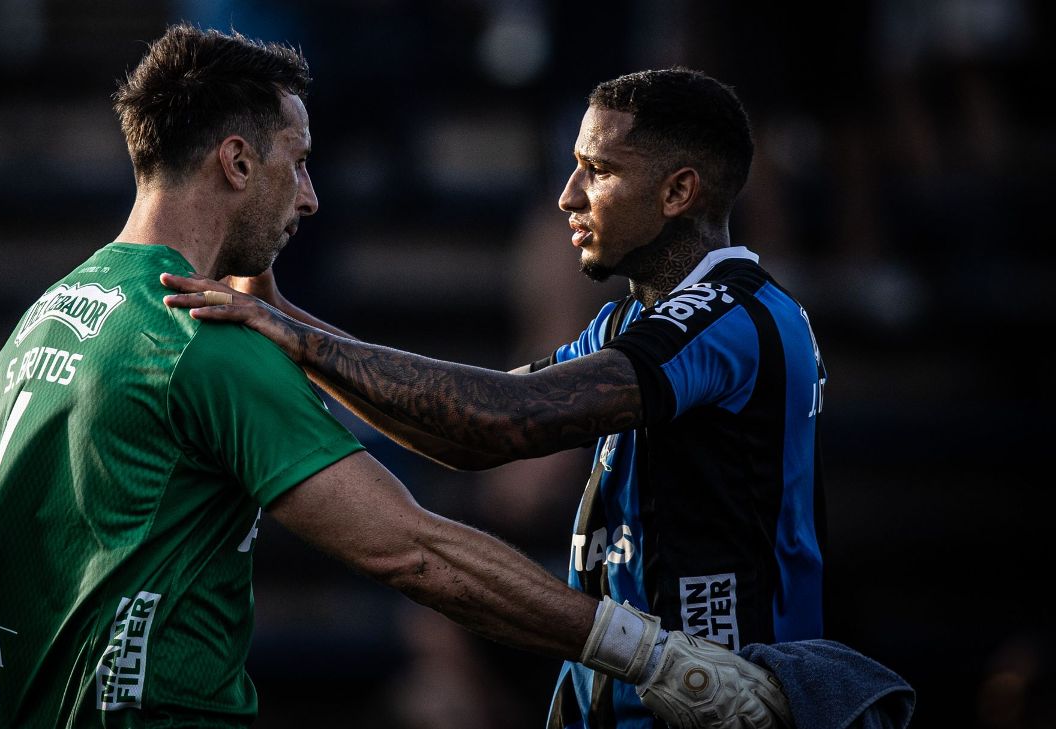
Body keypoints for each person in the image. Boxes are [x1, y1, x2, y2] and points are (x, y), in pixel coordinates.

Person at [0, 28, 791, 729]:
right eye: (296, 161)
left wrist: (297, 331)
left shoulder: (46, 315)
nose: (308, 196)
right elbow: (412, 547)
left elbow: (485, 425)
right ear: (236, 162)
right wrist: (654, 654)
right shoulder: (201, 340)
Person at [163, 67, 828, 728]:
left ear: (678, 190)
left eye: (597, 170)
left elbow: (508, 420)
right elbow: (465, 429)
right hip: (638, 700)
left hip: (722, 701)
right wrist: (286, 320)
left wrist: (302, 344)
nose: (569, 196)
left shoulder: (735, 316)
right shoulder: (629, 324)